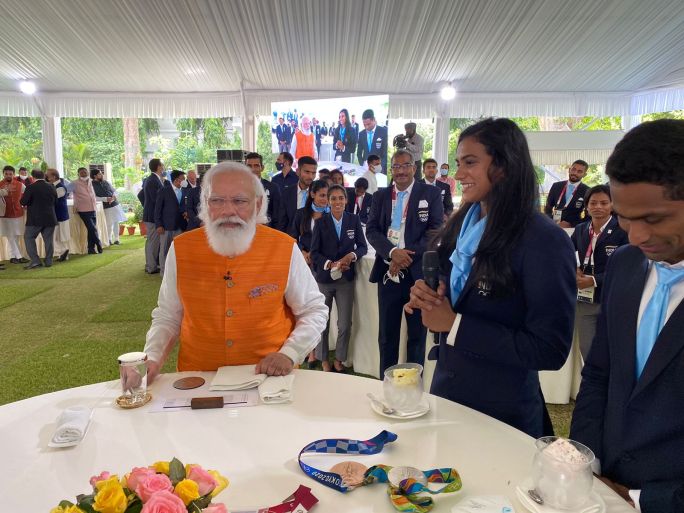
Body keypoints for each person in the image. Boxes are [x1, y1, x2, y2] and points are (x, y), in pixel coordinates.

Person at [405, 118, 576, 437]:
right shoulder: (460, 227)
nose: (457, 174)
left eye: (470, 162)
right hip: (448, 393)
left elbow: (549, 349)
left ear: (505, 165)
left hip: (502, 412)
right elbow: (451, 297)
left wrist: (454, 325)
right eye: (458, 163)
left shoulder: (543, 240)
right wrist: (428, 295)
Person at [570, 119, 684, 513]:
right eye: (624, 217)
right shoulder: (626, 265)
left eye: (653, 219)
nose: (635, 236)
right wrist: (586, 460)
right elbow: (600, 372)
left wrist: (642, 500)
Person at [143, 162, 328, 381]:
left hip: (269, 380)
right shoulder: (182, 248)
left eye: (239, 201)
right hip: (199, 380)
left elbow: (313, 310)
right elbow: (168, 316)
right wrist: (152, 357)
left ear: (258, 204)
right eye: (217, 200)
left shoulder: (284, 247)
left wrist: (289, 353)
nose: (228, 211)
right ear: (204, 204)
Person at [366, 149, 444, 375]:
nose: (400, 171)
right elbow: (371, 230)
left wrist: (404, 256)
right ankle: (386, 384)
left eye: (405, 166)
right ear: (391, 170)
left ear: (413, 168)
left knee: (417, 337)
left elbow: (435, 231)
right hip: (387, 273)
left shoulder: (430, 194)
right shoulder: (380, 196)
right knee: (387, 335)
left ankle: (413, 386)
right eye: (396, 167)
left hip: (417, 276)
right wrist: (392, 253)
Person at [310, 184, 367, 371]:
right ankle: (324, 359)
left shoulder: (353, 220)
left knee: (344, 324)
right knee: (322, 322)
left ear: (346, 200)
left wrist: (352, 256)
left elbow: (362, 246)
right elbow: (314, 253)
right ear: (328, 201)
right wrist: (330, 264)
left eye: (340, 198)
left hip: (345, 280)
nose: (337, 202)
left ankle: (339, 359)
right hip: (324, 280)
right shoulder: (320, 222)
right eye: (333, 198)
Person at [571, 185, 628, 360]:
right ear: (586, 206)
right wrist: (574, 269)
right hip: (585, 302)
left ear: (613, 205)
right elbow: (567, 253)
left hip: (612, 299)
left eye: (604, 203)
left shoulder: (623, 230)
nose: (598, 207)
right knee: (587, 351)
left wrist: (594, 280)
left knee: (614, 351)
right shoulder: (581, 229)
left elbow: (626, 269)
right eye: (593, 203)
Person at [20, 170, 57, 269]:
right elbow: (55, 200)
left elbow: (23, 201)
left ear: (32, 177)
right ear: (44, 176)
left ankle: (36, 261)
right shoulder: (51, 186)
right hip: (50, 217)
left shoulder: (31, 187)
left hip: (35, 219)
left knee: (29, 237)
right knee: (48, 240)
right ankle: (49, 261)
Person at [288, 179, 329, 265]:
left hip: (325, 259)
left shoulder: (331, 215)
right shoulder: (300, 213)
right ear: (312, 194)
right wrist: (302, 252)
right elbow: (293, 237)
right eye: (322, 195)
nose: (325, 199)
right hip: (303, 258)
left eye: (327, 196)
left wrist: (314, 254)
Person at [154, 170, 187, 276]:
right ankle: (164, 273)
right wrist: (159, 225)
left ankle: (177, 271)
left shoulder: (185, 191)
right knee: (164, 250)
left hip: (180, 226)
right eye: (183, 178)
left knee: (179, 250)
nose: (184, 181)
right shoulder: (164, 191)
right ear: (177, 180)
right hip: (166, 226)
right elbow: (157, 209)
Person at [544, 160, 590, 228]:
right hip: (554, 226)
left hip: (574, 228)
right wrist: (552, 222)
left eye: (579, 171)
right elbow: (548, 208)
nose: (575, 173)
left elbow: (589, 216)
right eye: (573, 169)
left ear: (584, 175)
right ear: (569, 170)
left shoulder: (587, 190)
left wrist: (572, 224)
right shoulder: (556, 186)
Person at [278, 156, 317, 233]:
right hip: (291, 240)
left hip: (314, 241)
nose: (310, 176)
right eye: (307, 172)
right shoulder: (287, 193)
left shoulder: (319, 193)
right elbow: (282, 222)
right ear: (298, 171)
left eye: (313, 173)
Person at [245, 152, 281, 229]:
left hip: (267, 232)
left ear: (262, 168)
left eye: (256, 166)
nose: (252, 169)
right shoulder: (238, 188)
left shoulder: (273, 188)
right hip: (244, 232)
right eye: (249, 166)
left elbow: (277, 216)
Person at [0, 165, 28, 264]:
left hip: (18, 213)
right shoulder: (0, 184)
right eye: (6, 174)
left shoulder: (20, 185)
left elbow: (28, 195)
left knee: (16, 235)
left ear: (14, 174)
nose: (8, 175)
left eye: (10, 174)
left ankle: (13, 256)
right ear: (3, 174)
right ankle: (19, 256)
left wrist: (25, 204)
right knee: (10, 235)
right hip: (4, 214)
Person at [72, 167, 102, 254]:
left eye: (85, 172)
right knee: (92, 228)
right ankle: (98, 243)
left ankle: (91, 248)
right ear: (78, 174)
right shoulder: (74, 183)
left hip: (92, 207)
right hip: (82, 209)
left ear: (88, 172)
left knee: (91, 229)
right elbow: (65, 190)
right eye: (81, 172)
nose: (84, 173)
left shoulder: (91, 181)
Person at [143, 159, 165, 273]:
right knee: (153, 241)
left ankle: (150, 265)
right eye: (162, 165)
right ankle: (151, 267)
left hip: (151, 215)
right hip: (152, 216)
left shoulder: (154, 179)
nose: (163, 167)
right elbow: (156, 199)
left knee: (151, 241)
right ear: (158, 167)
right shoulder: (152, 180)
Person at [91, 168, 123, 246]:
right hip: (105, 206)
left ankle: (117, 239)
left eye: (101, 173)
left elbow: (114, 191)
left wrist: (114, 196)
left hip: (115, 204)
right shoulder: (91, 185)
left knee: (116, 221)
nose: (102, 175)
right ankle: (108, 239)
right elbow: (93, 197)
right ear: (95, 176)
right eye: (99, 174)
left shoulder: (106, 182)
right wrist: (105, 199)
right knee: (108, 223)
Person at [45, 169, 71, 261]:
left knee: (62, 235)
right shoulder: (53, 186)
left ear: (54, 176)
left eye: (48, 175)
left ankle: (64, 253)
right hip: (56, 215)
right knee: (57, 236)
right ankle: (62, 253)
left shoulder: (60, 187)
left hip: (61, 215)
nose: (47, 177)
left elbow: (52, 199)